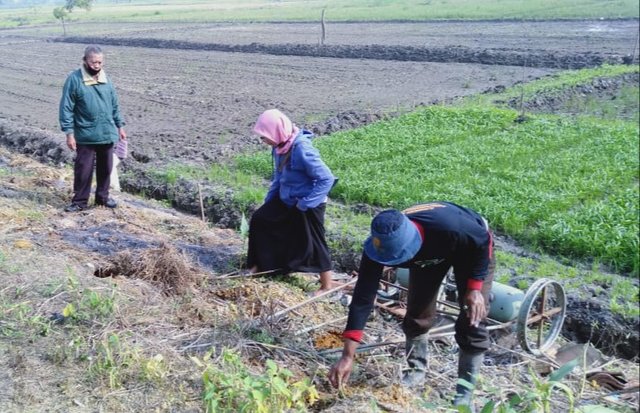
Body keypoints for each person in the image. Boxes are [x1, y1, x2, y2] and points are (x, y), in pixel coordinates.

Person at [328, 202, 495, 410]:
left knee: (473, 318)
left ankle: (464, 393)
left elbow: (482, 240)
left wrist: (475, 288)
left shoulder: (450, 227)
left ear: (410, 245)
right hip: (430, 256)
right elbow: (363, 297)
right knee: (418, 314)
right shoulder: (378, 246)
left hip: (471, 250)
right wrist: (347, 355)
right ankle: (416, 371)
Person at [247, 109, 337, 294]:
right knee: (260, 219)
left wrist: (306, 204)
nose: (263, 141)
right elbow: (278, 177)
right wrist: (269, 201)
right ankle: (260, 265)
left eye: (265, 137)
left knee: (315, 241)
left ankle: (326, 286)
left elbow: (326, 179)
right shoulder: (279, 147)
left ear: (277, 131)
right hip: (287, 197)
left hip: (309, 200)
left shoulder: (302, 149)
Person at [59, 45, 127, 212]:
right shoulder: (74, 80)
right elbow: (66, 107)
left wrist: (120, 125)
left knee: (106, 169)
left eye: (100, 62)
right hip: (85, 134)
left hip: (106, 132)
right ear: (85, 61)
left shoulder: (106, 79)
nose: (97, 65)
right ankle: (80, 202)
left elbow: (115, 105)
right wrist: (69, 133)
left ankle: (102, 198)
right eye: (93, 62)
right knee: (83, 171)